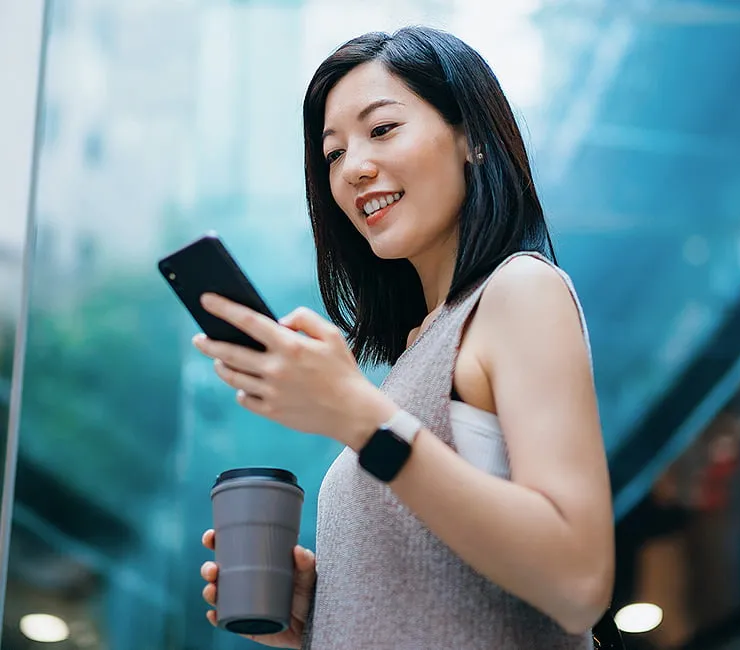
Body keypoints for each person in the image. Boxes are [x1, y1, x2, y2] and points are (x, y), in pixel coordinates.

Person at [196, 25, 614, 649]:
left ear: (471, 138)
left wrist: (358, 415)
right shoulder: (413, 355)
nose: (354, 169)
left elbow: (578, 581)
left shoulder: (519, 292)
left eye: (382, 129)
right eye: (333, 154)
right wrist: (325, 615)